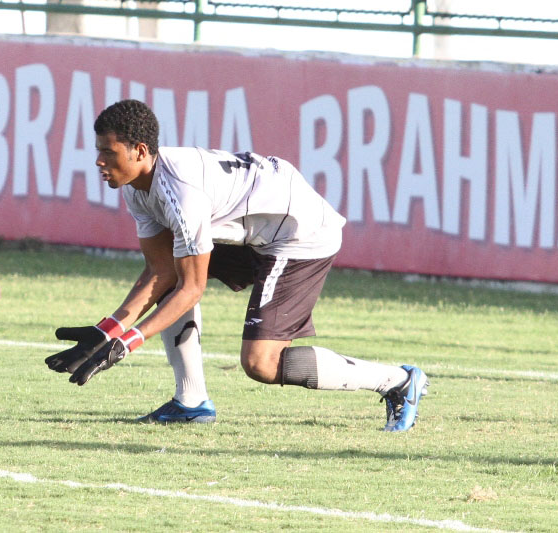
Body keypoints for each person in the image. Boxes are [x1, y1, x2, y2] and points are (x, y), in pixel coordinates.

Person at [45, 99, 428, 431]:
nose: (99, 160)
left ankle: (397, 380)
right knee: (173, 281)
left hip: (300, 234)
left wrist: (126, 344)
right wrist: (105, 331)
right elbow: (160, 272)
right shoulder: (137, 188)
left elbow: (190, 288)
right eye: (98, 150)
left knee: (261, 363)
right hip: (253, 228)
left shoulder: (181, 193)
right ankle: (191, 403)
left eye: (108, 152)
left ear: (140, 151)